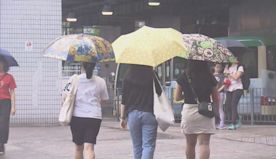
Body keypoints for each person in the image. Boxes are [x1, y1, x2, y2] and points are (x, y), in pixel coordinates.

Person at [174, 60, 219, 159]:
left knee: (190, 144)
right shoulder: (210, 76)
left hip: (189, 111)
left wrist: (186, 95)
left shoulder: (184, 76)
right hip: (206, 112)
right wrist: (217, 112)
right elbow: (216, 98)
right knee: (204, 143)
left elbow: (176, 97)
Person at [67, 62, 109, 159]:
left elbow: (65, 95)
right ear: (94, 66)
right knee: (89, 148)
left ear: (82, 65)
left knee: (78, 148)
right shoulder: (100, 81)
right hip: (94, 117)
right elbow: (105, 100)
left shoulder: (73, 79)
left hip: (77, 117)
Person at [119, 64, 161, 159]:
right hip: (149, 113)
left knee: (136, 146)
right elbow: (159, 92)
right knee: (148, 146)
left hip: (132, 114)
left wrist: (122, 117)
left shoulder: (128, 76)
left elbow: (124, 99)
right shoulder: (152, 75)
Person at [0, 56, 16, 155]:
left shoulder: (9, 77)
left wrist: (14, 107)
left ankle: (2, 143)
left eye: (1, 63)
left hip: (6, 102)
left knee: (3, 124)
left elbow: (12, 92)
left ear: (4, 65)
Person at [224, 59, 244, 130]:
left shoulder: (240, 67)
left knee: (233, 105)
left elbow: (236, 77)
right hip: (229, 88)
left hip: (238, 88)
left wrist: (229, 73)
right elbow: (225, 77)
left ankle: (233, 123)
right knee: (228, 106)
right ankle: (238, 118)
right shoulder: (227, 66)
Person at [213, 63, 226, 129]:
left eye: (220, 67)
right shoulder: (211, 75)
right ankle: (215, 122)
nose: (218, 68)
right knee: (214, 108)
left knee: (220, 108)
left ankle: (222, 123)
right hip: (213, 94)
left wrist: (218, 91)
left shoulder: (222, 76)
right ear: (214, 67)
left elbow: (224, 84)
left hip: (220, 93)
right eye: (217, 67)